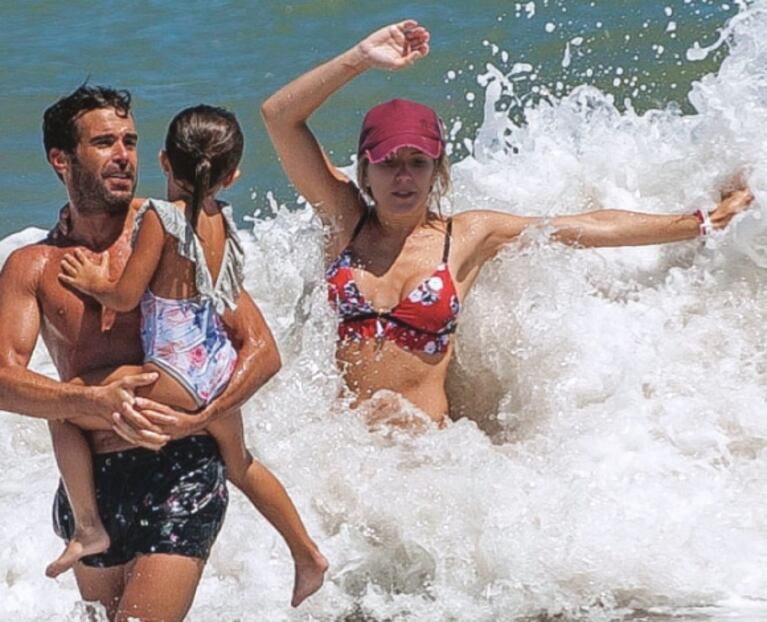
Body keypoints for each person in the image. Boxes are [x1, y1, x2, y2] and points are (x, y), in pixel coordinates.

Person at [260, 20, 754, 426]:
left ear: (438, 169)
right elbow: (279, 117)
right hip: (342, 452)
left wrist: (700, 223)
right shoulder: (346, 220)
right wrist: (362, 57)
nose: (404, 177)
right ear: (365, 169)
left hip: (423, 458)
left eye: (418, 162)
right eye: (389, 163)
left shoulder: (467, 235)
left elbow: (585, 227)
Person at [0, 85, 310, 622]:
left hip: (182, 468)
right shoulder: (34, 267)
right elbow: (4, 380)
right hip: (91, 485)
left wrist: (208, 415)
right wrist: (90, 401)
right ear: (61, 159)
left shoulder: (173, 235)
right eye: (103, 142)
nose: (124, 155)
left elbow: (258, 349)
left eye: (131, 141)